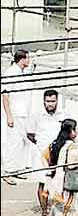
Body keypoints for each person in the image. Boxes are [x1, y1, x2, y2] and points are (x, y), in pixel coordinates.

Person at [32, 90, 70, 212]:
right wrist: (42, 146)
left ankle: (59, 210)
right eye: (48, 101)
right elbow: (30, 134)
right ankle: (44, 211)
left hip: (59, 154)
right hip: (42, 155)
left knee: (59, 182)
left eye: (53, 101)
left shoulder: (63, 115)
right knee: (43, 182)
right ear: (44, 101)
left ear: (57, 101)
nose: (50, 104)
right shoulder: (37, 115)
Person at [2, 49, 35, 185]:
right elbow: (5, 95)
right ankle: (7, 171)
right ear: (21, 59)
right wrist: (9, 115)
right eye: (28, 58)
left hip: (24, 113)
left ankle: (17, 169)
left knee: (23, 142)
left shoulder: (24, 72)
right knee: (13, 143)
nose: (29, 60)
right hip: (14, 114)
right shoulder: (10, 73)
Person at [41, 119, 78, 216]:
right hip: (66, 184)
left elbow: (43, 157)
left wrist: (49, 170)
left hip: (53, 183)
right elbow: (71, 165)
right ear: (72, 131)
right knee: (68, 211)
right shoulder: (72, 146)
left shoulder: (55, 144)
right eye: (75, 128)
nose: (77, 131)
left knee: (56, 210)